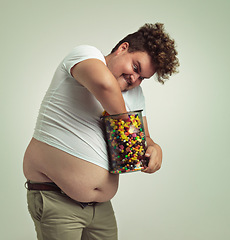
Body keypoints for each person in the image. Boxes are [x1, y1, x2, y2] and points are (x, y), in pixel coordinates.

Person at [23, 23, 179, 240]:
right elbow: (105, 86)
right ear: (123, 48)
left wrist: (153, 147)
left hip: (101, 209)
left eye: (143, 77)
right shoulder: (86, 55)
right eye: (135, 67)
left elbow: (144, 138)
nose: (135, 79)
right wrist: (128, 123)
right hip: (57, 200)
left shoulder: (135, 94)